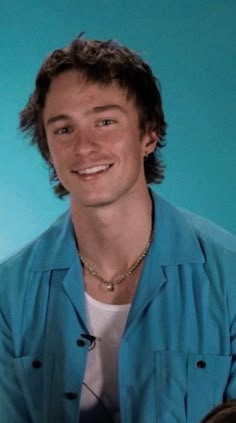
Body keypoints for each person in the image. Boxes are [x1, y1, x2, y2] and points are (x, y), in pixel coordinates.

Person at [0, 34, 236, 423]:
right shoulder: (9, 296)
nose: (84, 147)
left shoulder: (228, 278)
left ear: (148, 134)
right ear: (47, 149)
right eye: (63, 130)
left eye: (105, 122)